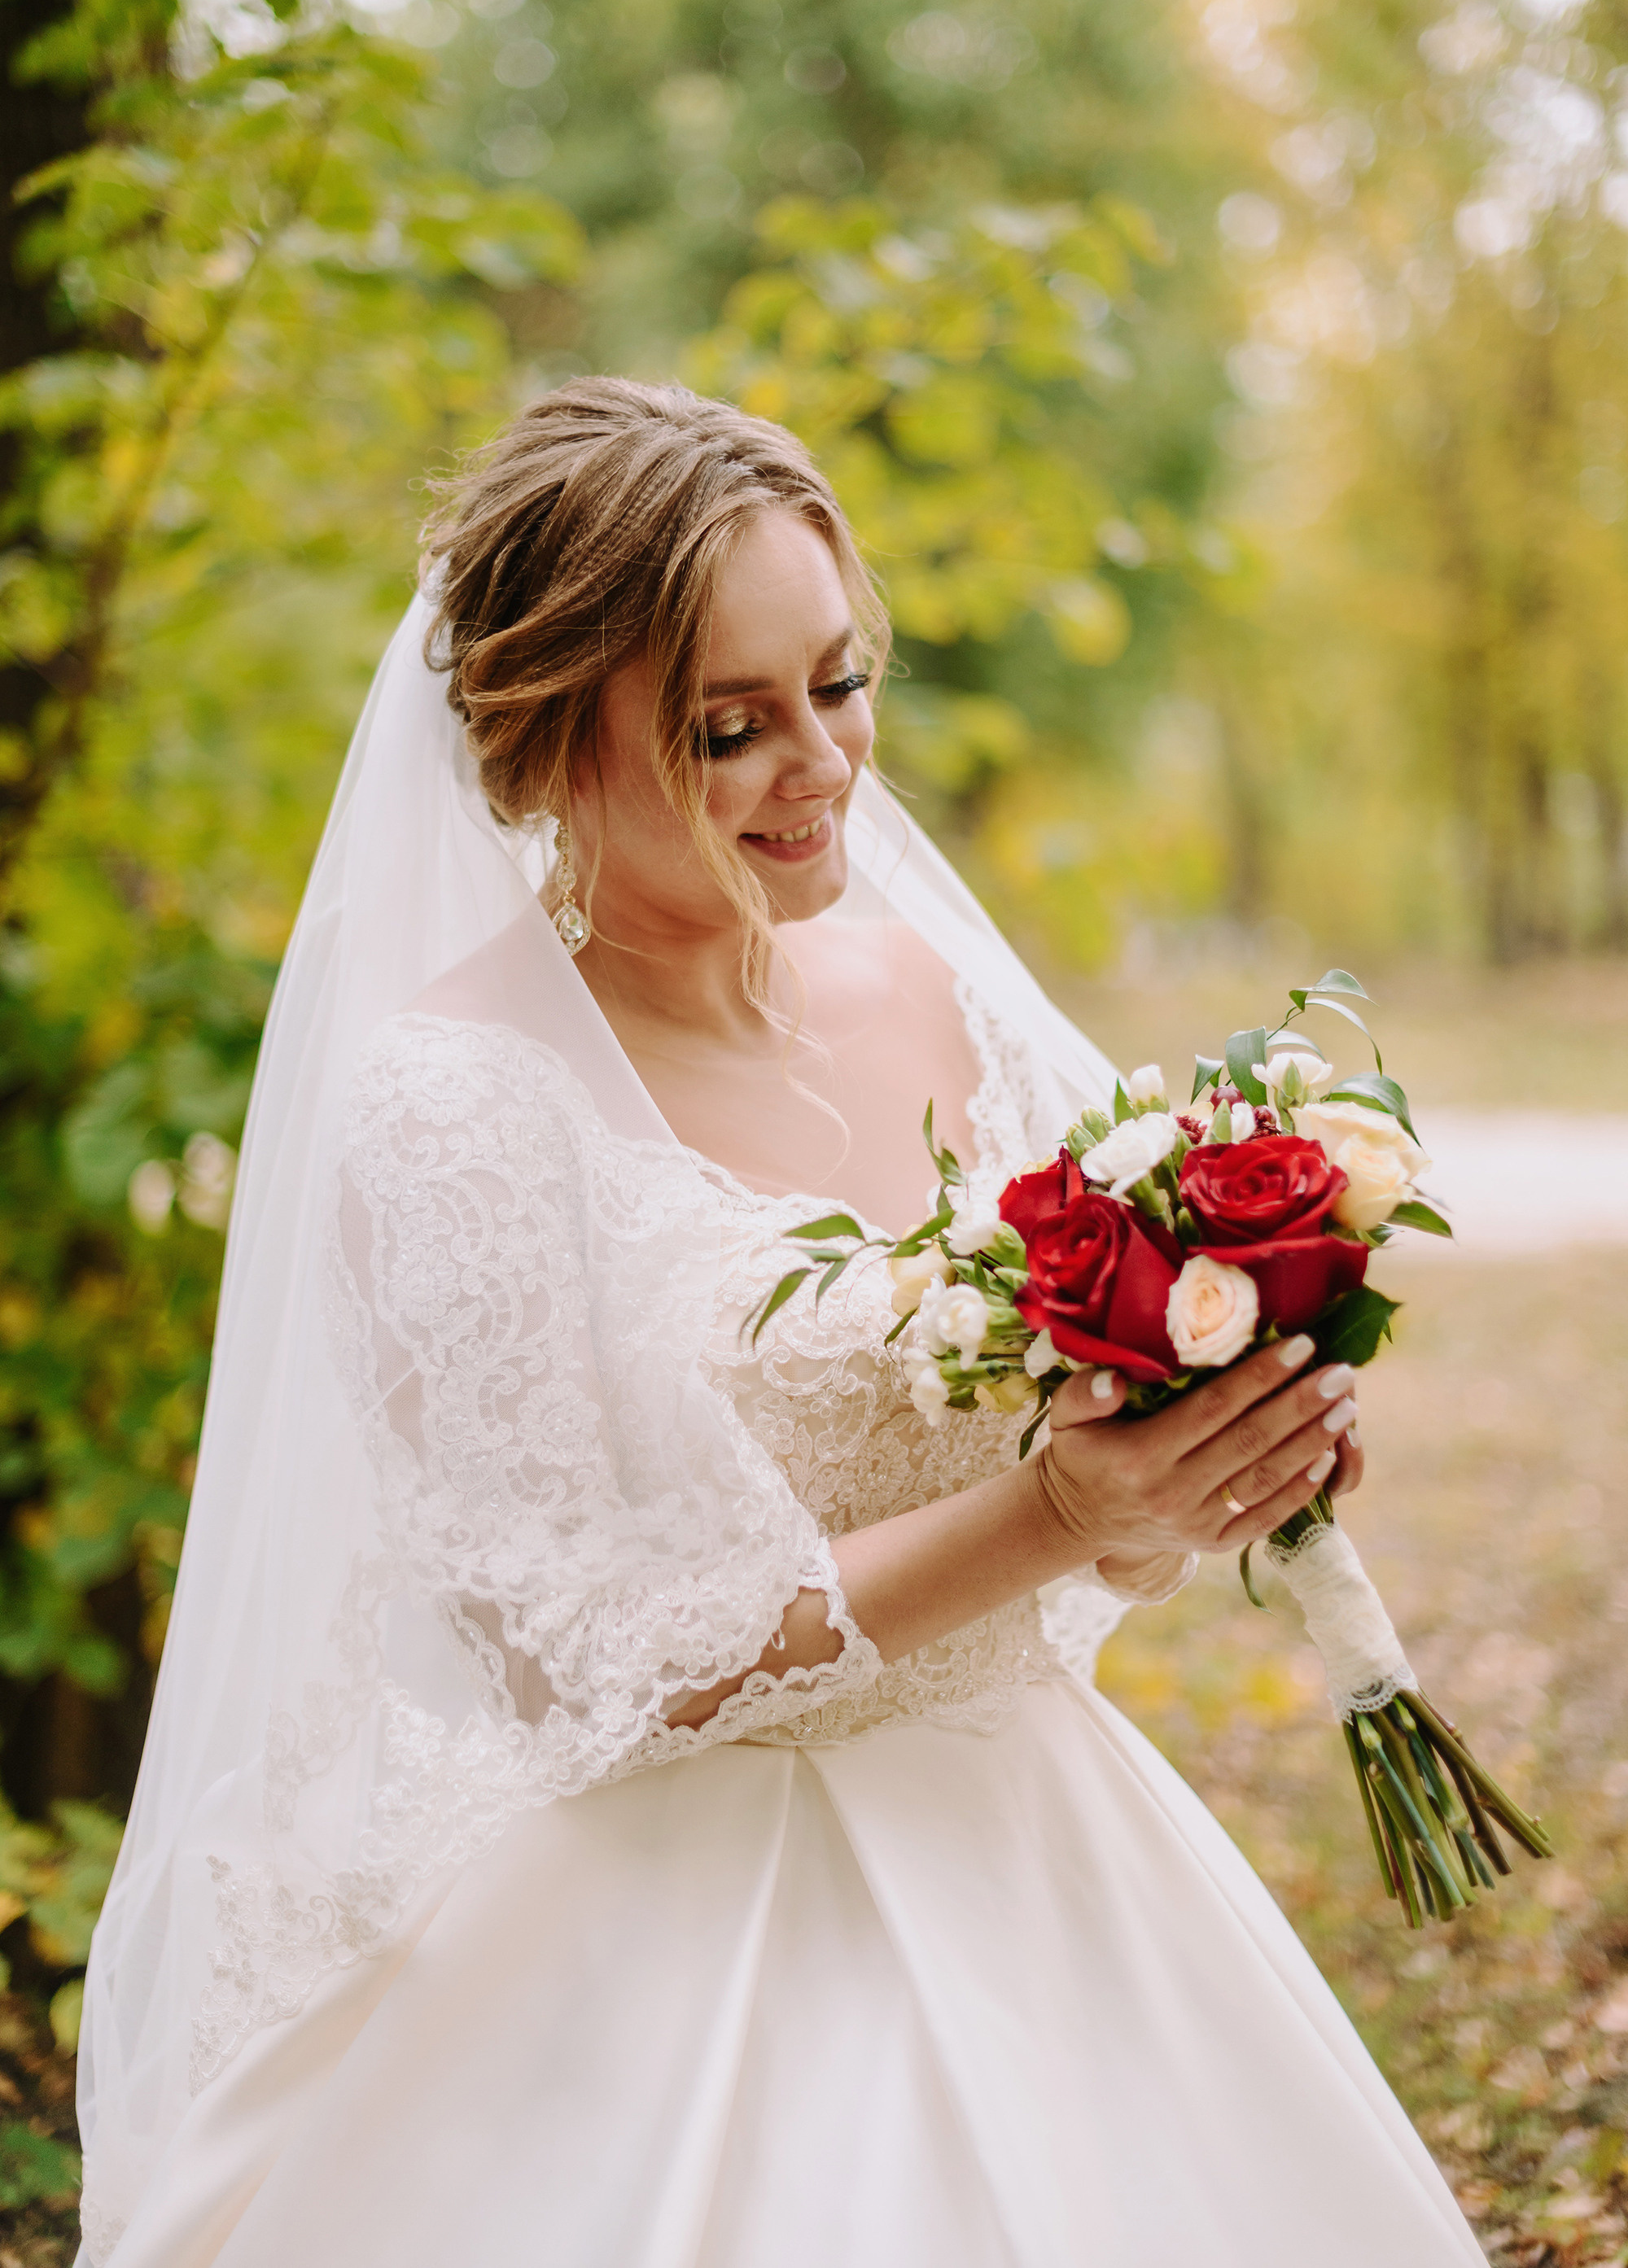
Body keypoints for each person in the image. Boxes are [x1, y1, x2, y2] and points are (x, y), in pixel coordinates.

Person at [76, 381, 1482, 2266]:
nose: (819, 762)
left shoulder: (922, 980)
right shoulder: (452, 1107)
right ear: (535, 749)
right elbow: (580, 1652)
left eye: (840, 681)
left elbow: (1065, 1420)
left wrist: (1206, 1463)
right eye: (727, 727)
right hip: (654, 1923)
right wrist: (1054, 1518)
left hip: (1033, 1848)